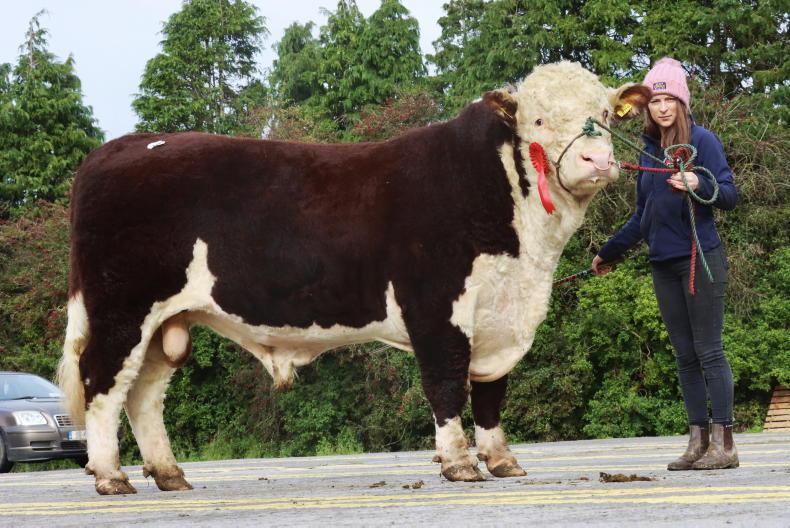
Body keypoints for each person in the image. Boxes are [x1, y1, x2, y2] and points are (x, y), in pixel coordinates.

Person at [591, 57, 739, 470]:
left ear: (682, 101)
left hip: (700, 258)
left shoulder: (703, 142)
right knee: (684, 355)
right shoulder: (649, 151)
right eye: (654, 99)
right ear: (646, 106)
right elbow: (643, 216)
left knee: (710, 351)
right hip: (663, 263)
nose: (662, 107)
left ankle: (724, 444)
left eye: (669, 98)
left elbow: (728, 194)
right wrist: (609, 251)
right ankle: (696, 442)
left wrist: (699, 182)